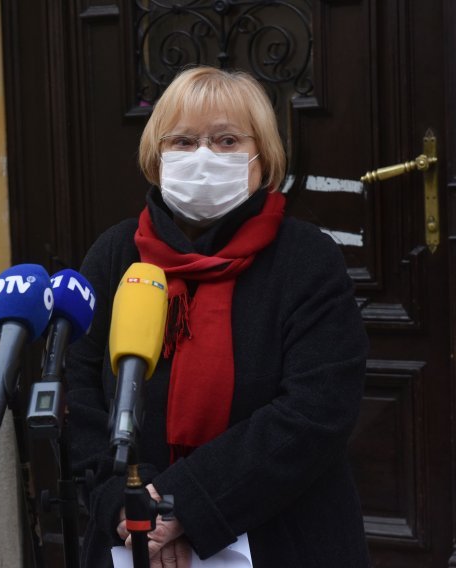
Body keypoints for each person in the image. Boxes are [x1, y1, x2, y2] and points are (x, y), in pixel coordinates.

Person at [65, 66, 370, 567]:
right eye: (183, 142)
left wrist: (182, 509)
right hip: (130, 540)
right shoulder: (117, 254)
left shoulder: (307, 260)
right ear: (156, 156)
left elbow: (316, 410)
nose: (203, 157)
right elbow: (80, 389)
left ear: (262, 157)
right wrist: (125, 506)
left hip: (281, 534)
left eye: (226, 140)